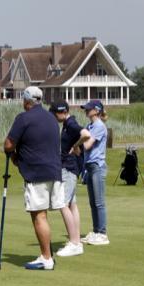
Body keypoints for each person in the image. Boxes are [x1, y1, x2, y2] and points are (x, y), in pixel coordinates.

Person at [4, 86, 63, 271]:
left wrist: (14, 156)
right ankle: (47, 254)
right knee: (43, 215)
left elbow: (8, 144)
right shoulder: (51, 118)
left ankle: (46, 258)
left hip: (36, 174)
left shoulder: (23, 118)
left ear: (26, 101)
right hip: (55, 172)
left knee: (39, 216)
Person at [49, 101, 90, 257]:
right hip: (70, 168)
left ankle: (74, 243)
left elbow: (86, 134)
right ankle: (76, 240)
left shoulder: (71, 123)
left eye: (54, 114)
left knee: (62, 204)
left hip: (68, 168)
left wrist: (76, 146)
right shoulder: (67, 124)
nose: (53, 118)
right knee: (72, 204)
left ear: (61, 112)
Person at [80, 100, 110, 246]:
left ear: (96, 110)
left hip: (97, 166)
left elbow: (87, 145)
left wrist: (78, 141)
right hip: (89, 166)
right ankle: (96, 231)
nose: (86, 110)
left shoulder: (99, 126)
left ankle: (102, 234)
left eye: (89, 108)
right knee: (93, 203)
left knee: (99, 202)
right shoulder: (89, 126)